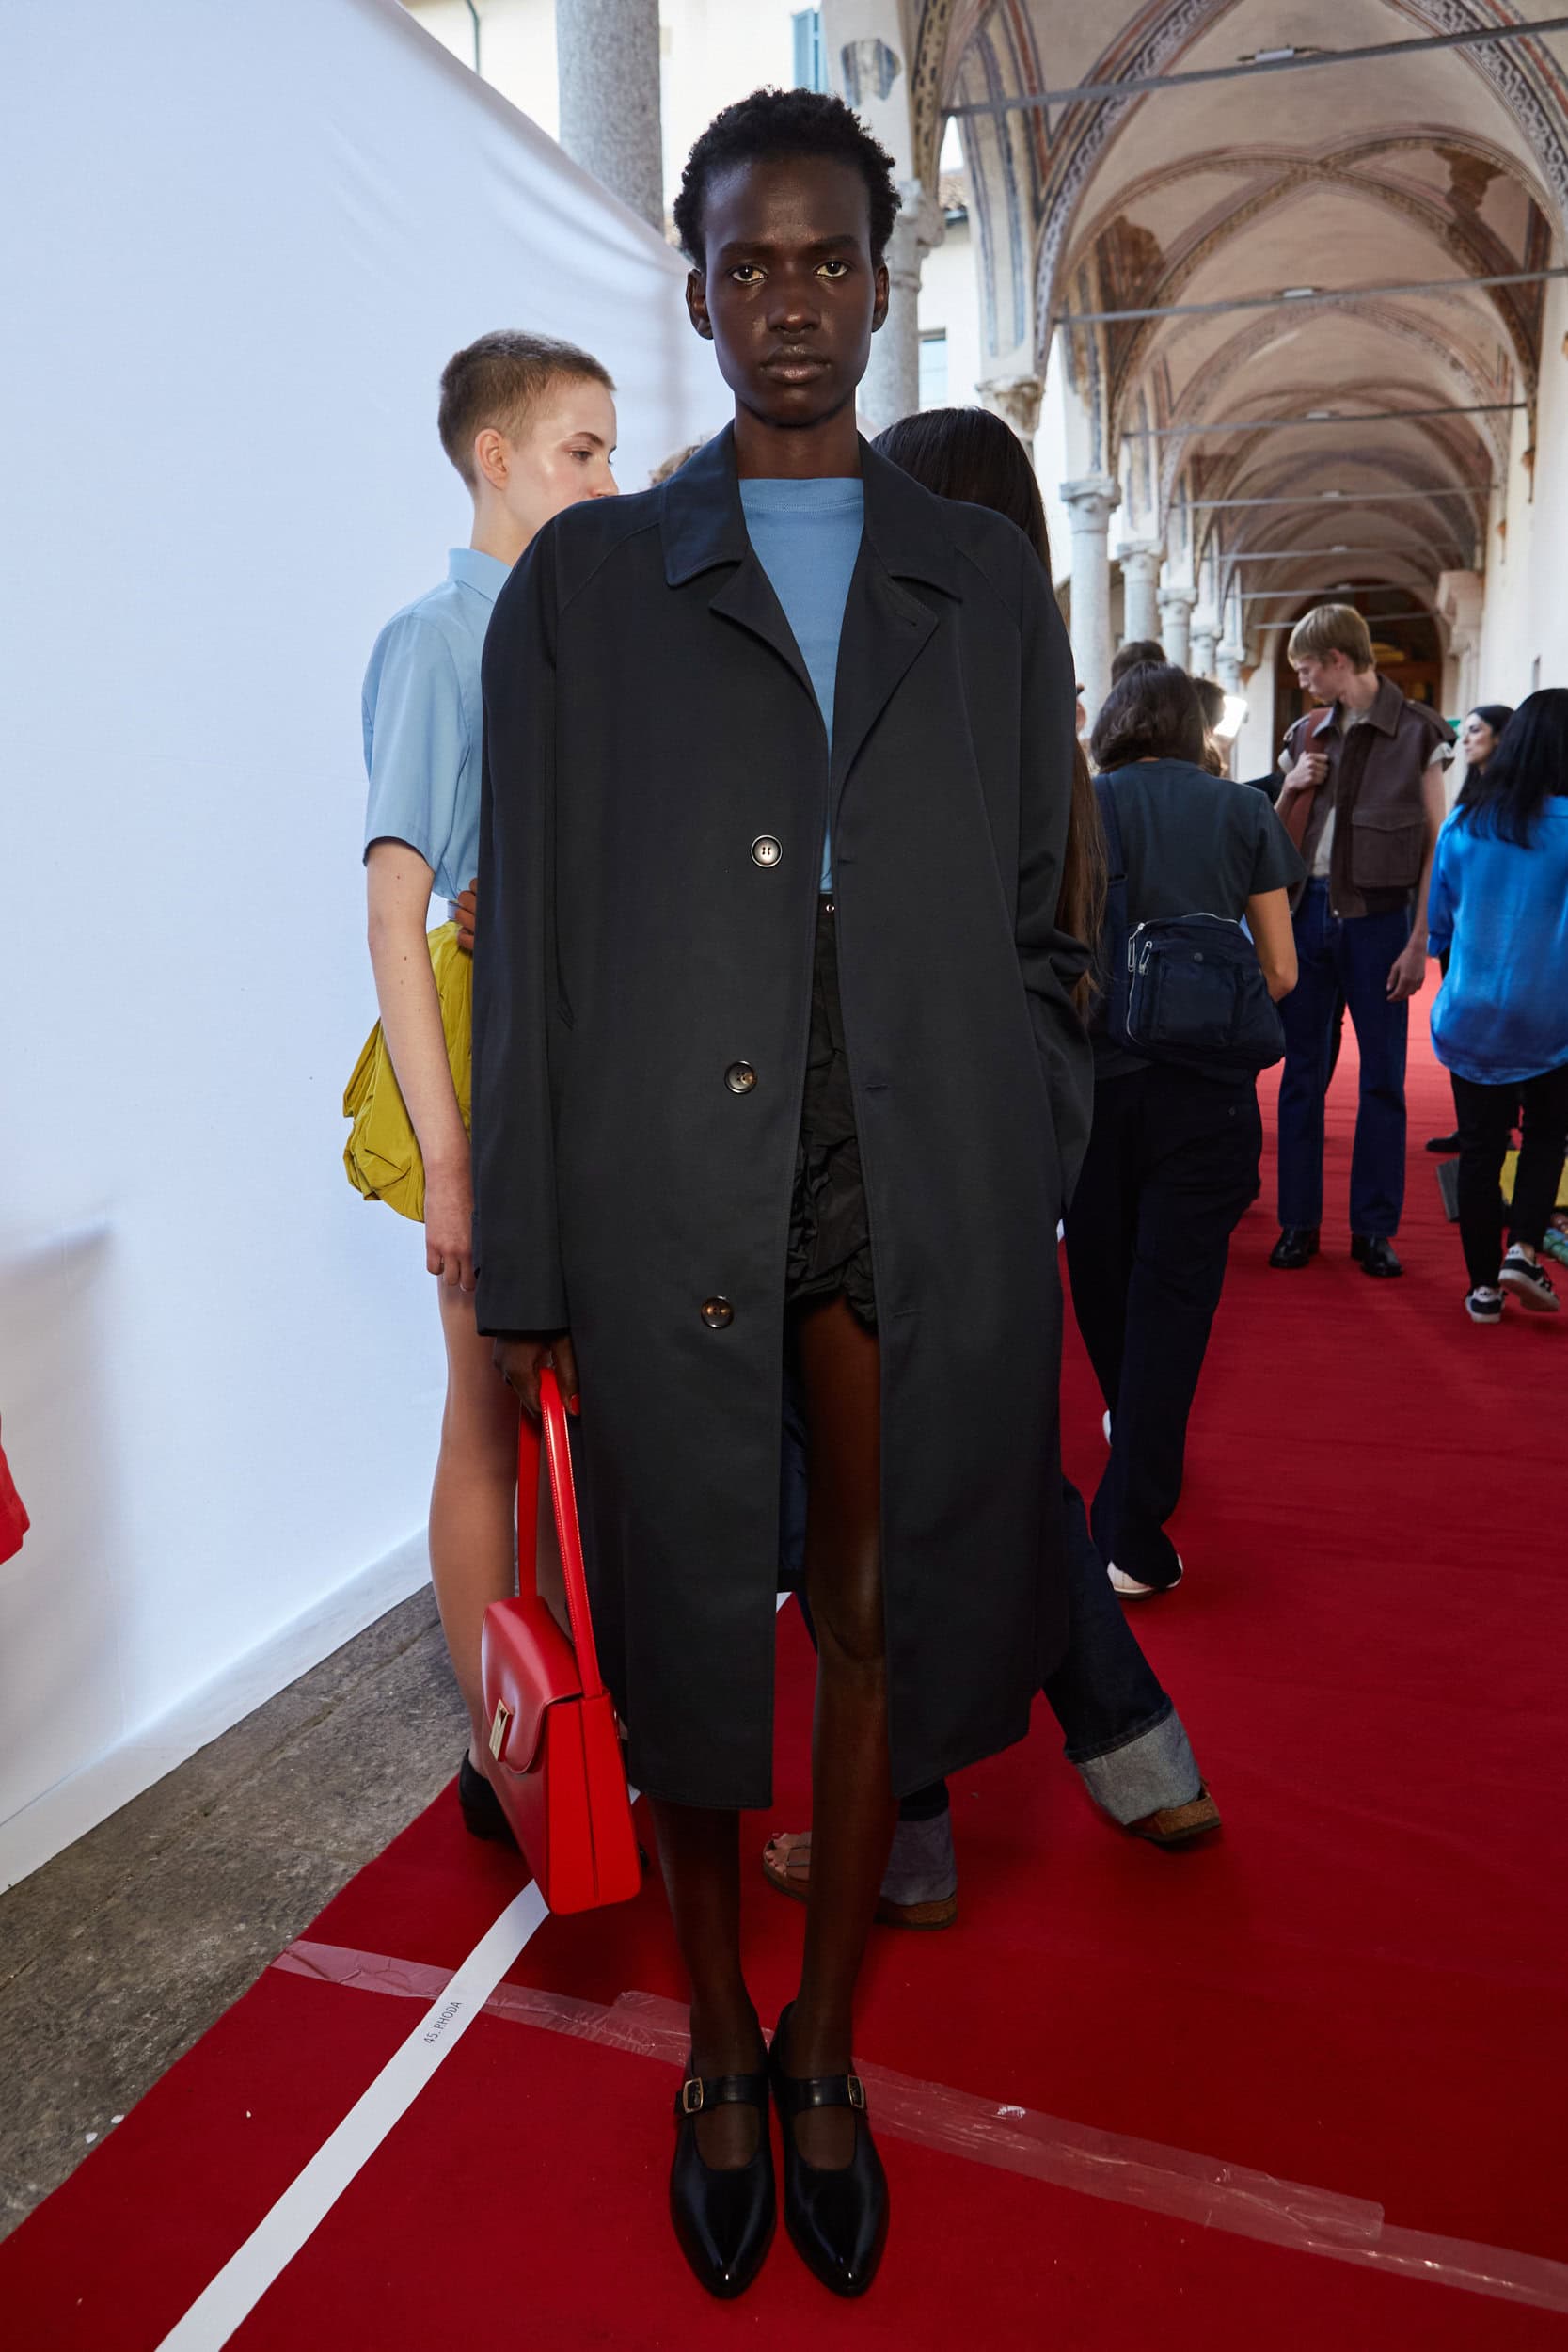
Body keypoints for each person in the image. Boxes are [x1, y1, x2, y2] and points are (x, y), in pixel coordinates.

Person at [471, 89, 1090, 2302]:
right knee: (680, 1619)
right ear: (695, 273)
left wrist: (1030, 1137)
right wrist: (527, 1248)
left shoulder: (985, 577)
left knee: (870, 1607)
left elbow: (1049, 911)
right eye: (751, 265)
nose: (793, 305)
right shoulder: (585, 589)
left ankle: (827, 2047)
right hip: (663, 1160)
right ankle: (716, 2041)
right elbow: (528, 949)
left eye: (830, 263)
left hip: (910, 1157)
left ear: (886, 276)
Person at [758, 405, 1218, 1931]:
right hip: (1011, 1136)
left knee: (866, 1497)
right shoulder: (1032, 706)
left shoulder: (912, 698)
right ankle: (1134, 1757)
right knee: (974, 1461)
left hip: (898, 1146)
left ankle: (912, 1831)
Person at [353, 330, 618, 1842]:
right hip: (486, 1065)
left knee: (559, 1404)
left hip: (579, 1054)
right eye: (580, 449)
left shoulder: (569, 638)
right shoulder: (434, 643)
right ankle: (497, 1741)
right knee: (485, 1406)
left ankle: (562, 1713)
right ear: (495, 458)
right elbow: (399, 913)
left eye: (609, 448)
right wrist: (449, 1163)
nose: (607, 475)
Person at [1070, 665, 1302, 1596]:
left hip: (1090, 1083)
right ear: (1197, 728)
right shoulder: (1240, 812)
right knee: (1171, 1297)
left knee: (1100, 1279)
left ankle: (1133, 1440)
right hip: (1204, 1093)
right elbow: (1279, 971)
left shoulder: (1076, 807)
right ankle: (1129, 1528)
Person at [1269, 604, 1452, 1277]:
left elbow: (1438, 843)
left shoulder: (1419, 733)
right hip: (1306, 914)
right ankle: (1298, 1222)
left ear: (1337, 660)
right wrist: (1289, 786)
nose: (1302, 678)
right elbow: (1273, 839)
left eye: (1306, 666)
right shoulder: (1303, 733)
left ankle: (1372, 1230)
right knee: (1300, 1077)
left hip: (1380, 924)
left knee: (1382, 1081)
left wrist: (1418, 940)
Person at [1427, 690, 1568, 1321]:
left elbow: (1440, 922)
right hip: (1552, 1015)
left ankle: (1482, 1289)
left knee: (1479, 1149)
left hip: (1472, 1012)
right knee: (1544, 1137)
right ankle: (1525, 1248)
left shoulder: (1464, 822)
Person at [1426, 702, 1513, 1152]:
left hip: (1497, 935)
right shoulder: (1469, 799)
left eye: (1477, 730)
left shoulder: (1518, 803)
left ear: (1502, 737)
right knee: (1467, 1030)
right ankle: (1474, 1124)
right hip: (1460, 936)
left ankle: (1496, 1127)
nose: (1467, 738)